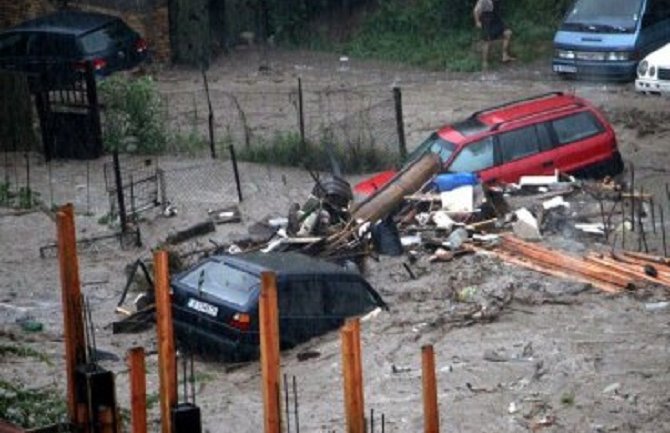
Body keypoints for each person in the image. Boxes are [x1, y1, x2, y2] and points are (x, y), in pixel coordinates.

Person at [473, 0, 515, 70]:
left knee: (508, 33)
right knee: (487, 41)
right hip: (487, 20)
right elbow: (476, 10)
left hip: (496, 20)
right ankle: (485, 63)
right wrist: (477, 21)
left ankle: (504, 55)